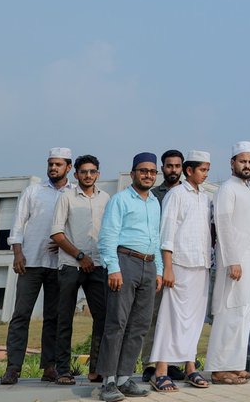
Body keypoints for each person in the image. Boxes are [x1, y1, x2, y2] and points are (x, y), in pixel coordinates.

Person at [1, 147, 74, 385]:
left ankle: (49, 367)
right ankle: (13, 368)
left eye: (58, 164)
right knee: (21, 315)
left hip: (59, 265)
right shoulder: (33, 191)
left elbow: (76, 228)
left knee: (54, 317)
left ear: (68, 168)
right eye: (51, 164)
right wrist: (18, 253)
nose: (53, 168)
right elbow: (18, 224)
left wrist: (65, 244)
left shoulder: (74, 193)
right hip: (30, 262)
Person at [96, 152, 164, 402]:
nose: (148, 175)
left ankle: (125, 378)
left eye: (152, 172)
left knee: (139, 325)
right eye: (143, 171)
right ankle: (108, 381)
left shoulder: (154, 202)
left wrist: (159, 269)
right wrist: (112, 267)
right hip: (125, 262)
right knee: (117, 323)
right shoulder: (120, 200)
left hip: (148, 266)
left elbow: (155, 238)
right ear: (133, 172)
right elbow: (108, 236)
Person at [205, 142, 250, 384]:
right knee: (229, 315)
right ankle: (219, 369)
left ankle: (235, 365)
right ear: (232, 163)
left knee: (244, 318)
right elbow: (223, 225)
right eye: (242, 161)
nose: (247, 165)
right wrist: (233, 260)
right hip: (235, 264)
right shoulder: (226, 190)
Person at [148, 150, 213, 392]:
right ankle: (161, 371)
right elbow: (166, 234)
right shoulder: (175, 195)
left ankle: (190, 368)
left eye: (207, 170)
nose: (206, 174)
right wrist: (167, 267)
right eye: (202, 170)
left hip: (201, 264)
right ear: (189, 171)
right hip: (178, 265)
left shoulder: (206, 197)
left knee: (195, 320)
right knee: (170, 317)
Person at [50, 154, 110, 385]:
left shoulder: (106, 198)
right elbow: (56, 233)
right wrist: (80, 256)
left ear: (98, 174)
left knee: (103, 317)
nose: (88, 175)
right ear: (76, 174)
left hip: (97, 266)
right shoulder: (66, 197)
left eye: (92, 171)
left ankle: (96, 369)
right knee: (64, 318)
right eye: (83, 171)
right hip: (70, 266)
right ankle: (63, 370)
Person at [140, 149, 184, 375]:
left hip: (184, 264)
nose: (173, 170)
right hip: (156, 262)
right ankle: (150, 363)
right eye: (169, 166)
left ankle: (173, 363)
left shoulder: (190, 193)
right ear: (162, 169)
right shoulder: (154, 195)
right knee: (153, 314)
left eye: (177, 166)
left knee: (177, 315)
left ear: (183, 168)